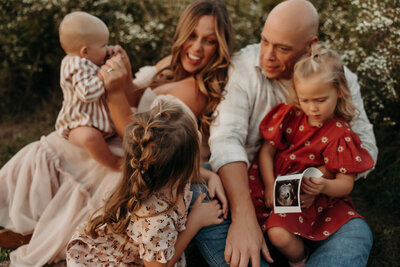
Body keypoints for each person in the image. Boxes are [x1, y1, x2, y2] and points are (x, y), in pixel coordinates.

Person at [0, 0, 232, 266]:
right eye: (192, 35)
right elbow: (137, 95)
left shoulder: (197, 89)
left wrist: (113, 90)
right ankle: (33, 226)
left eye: (209, 41)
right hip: (126, 140)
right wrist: (126, 70)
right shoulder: (171, 64)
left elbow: (137, 135)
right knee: (53, 146)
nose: (196, 48)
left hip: (142, 153)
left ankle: (46, 235)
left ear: (220, 46)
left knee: (99, 165)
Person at [203, 0, 378, 266]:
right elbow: (227, 139)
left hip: (318, 203)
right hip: (249, 187)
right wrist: (243, 217)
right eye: (265, 41)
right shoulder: (245, 66)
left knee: (355, 234)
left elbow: (366, 148)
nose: (268, 56)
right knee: (202, 196)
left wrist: (313, 180)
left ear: (310, 45)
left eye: (282, 48)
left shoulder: (337, 78)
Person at [248, 44, 374, 267]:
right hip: (274, 189)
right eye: (305, 100)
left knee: (278, 234)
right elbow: (266, 153)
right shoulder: (291, 115)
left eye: (320, 100)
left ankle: (299, 259)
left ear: (339, 92)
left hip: (312, 200)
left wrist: (324, 187)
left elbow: (346, 184)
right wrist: (269, 185)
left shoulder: (339, 133)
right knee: (263, 225)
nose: (312, 108)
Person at [67, 100, 226, 266]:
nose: (199, 136)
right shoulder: (156, 219)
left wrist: (211, 177)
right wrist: (196, 221)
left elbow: (190, 172)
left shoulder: (164, 177)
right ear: (181, 167)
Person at [56, 11, 121, 171]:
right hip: (77, 124)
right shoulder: (75, 65)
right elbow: (86, 93)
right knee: (90, 137)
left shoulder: (89, 61)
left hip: (95, 121)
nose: (106, 49)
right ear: (85, 51)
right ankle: (113, 162)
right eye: (103, 46)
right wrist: (103, 75)